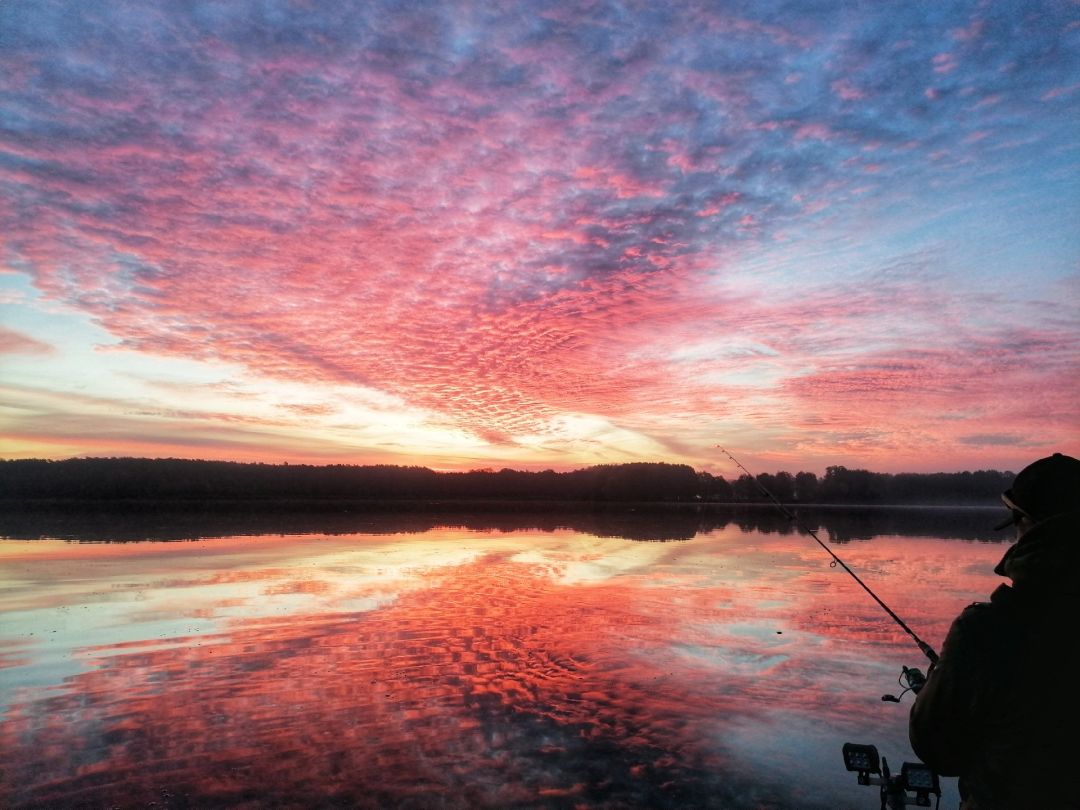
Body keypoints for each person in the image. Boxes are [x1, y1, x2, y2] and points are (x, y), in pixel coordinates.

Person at [909, 452, 1080, 809]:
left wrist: (934, 686)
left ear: (1026, 523)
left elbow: (940, 752)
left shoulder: (986, 631)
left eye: (1016, 525)